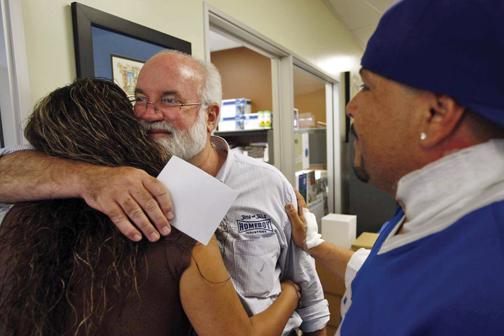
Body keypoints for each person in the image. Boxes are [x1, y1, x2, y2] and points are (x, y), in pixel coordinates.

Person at [0, 51, 329, 335]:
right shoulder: (108, 189)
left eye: (169, 100)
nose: (147, 113)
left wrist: (297, 296)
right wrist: (91, 179)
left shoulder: (266, 184)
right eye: (140, 99)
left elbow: (305, 280)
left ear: (211, 116)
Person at [285, 0, 504, 335]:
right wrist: (312, 242)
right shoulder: (431, 209)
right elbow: (385, 276)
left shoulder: (483, 286)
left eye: (368, 87)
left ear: (435, 114)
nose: (350, 107)